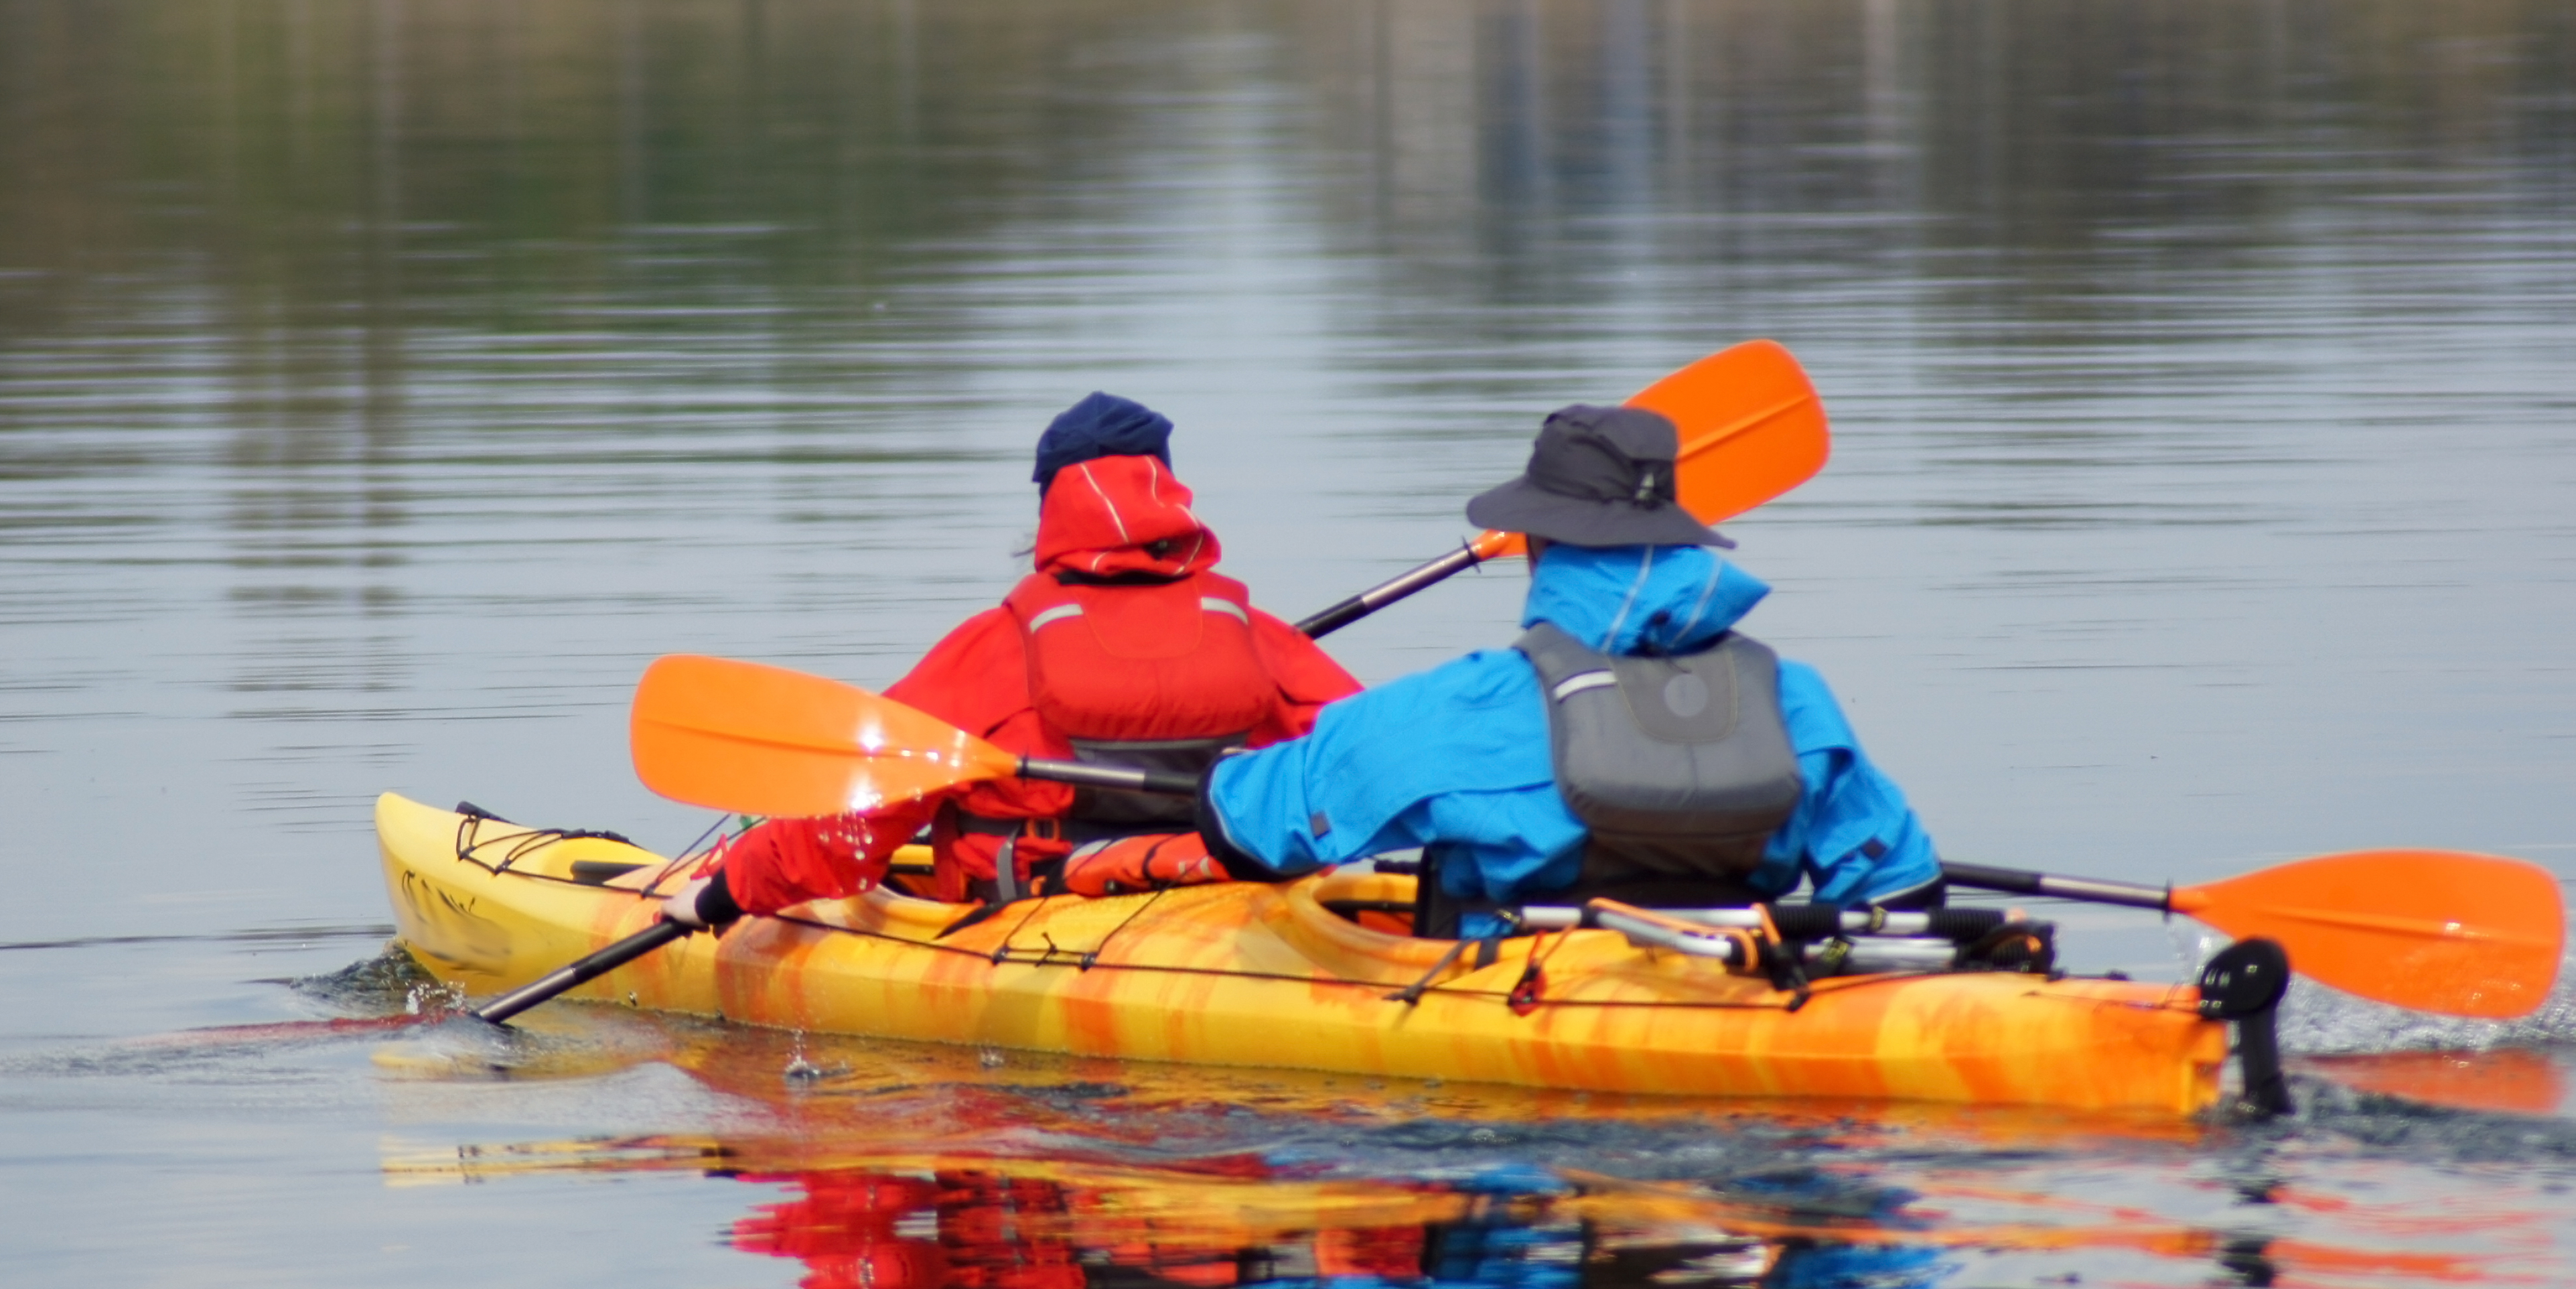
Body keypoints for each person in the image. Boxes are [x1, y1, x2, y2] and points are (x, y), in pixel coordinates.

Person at [1198, 403, 1936, 927]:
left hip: (1522, 1035)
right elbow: (1904, 891)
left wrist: (1225, 758)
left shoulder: (1464, 705)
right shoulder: (1795, 701)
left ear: (1539, 546)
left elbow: (1250, 828)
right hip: (1744, 998)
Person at [700, 393, 1360, 921]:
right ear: (1170, 493)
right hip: (1236, 902)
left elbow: (851, 830)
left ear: (1051, 509)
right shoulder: (1260, 639)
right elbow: (1371, 762)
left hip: (1040, 917)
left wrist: (725, 891)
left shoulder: (994, 653)